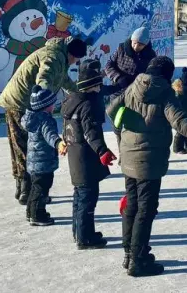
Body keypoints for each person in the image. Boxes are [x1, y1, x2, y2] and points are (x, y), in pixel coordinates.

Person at [107, 55, 187, 277]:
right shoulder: (165, 94)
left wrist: (123, 133)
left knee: (132, 205)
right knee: (145, 209)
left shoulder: (133, 87)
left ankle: (130, 253)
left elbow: (111, 110)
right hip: (150, 160)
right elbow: (181, 122)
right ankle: (138, 260)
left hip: (128, 155)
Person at [0, 36, 87, 205]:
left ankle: (23, 190)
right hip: (20, 103)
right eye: (75, 59)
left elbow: (63, 80)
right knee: (26, 147)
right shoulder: (53, 57)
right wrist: (43, 104)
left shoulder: (59, 56)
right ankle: (27, 191)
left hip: (25, 103)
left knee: (23, 146)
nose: (74, 62)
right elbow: (44, 77)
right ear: (71, 54)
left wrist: (79, 94)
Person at [62, 59, 116, 249]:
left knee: (79, 196)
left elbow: (68, 129)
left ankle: (79, 232)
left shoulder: (72, 100)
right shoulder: (87, 105)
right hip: (86, 157)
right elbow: (90, 131)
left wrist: (64, 141)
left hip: (76, 155)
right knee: (87, 198)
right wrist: (103, 151)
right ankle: (85, 238)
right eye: (98, 84)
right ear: (92, 85)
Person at [21, 85, 67, 227]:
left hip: (34, 161)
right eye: (52, 103)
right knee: (41, 188)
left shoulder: (32, 118)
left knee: (35, 187)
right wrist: (58, 143)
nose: (54, 106)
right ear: (46, 106)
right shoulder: (45, 120)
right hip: (43, 162)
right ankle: (37, 214)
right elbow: (50, 135)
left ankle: (31, 212)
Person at [104, 25, 156, 93]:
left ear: (145, 45)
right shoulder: (121, 48)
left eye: (140, 45)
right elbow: (108, 65)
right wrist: (117, 77)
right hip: (118, 88)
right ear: (131, 40)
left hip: (137, 91)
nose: (136, 47)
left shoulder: (151, 55)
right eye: (134, 43)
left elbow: (153, 73)